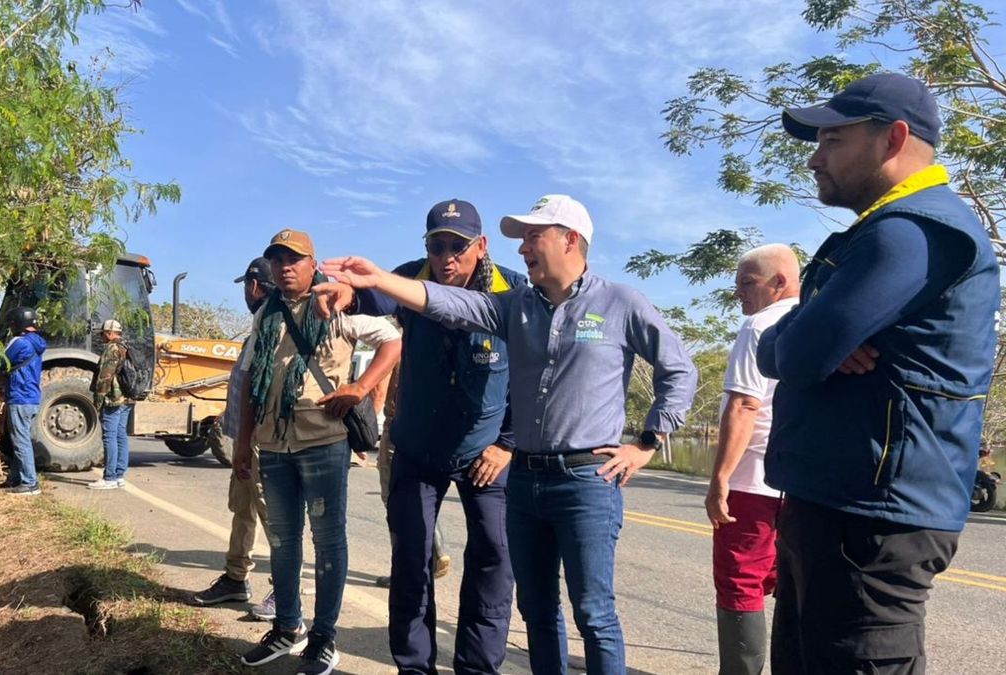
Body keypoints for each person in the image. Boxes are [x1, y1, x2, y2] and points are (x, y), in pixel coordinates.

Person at [321, 194, 698, 675]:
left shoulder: (610, 302)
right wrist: (370, 282)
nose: (522, 247)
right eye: (437, 246)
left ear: (570, 240)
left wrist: (646, 443)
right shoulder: (512, 304)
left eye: (533, 237)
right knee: (530, 607)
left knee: (584, 609)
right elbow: (442, 301)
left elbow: (676, 370)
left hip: (554, 471)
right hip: (484, 466)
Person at [761, 73, 1000, 673]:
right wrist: (815, 333)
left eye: (832, 140)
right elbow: (780, 352)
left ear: (893, 138)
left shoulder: (913, 233)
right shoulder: (886, 229)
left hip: (872, 518)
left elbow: (796, 357)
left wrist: (813, 336)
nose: (814, 158)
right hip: (842, 503)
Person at [316, 198, 524, 674]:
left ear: (481, 245)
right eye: (437, 245)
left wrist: (507, 444)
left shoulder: (512, 290)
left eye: (458, 246)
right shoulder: (412, 277)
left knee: (494, 559)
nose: (446, 257)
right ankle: (414, 667)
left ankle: (478, 668)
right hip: (417, 447)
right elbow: (375, 297)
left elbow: (530, 374)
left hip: (486, 452)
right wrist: (349, 294)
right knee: (412, 559)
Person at [235, 229, 401, 675]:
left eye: (294, 259)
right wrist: (243, 443)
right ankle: (287, 627)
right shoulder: (266, 314)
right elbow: (251, 380)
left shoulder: (336, 304)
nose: (284, 266)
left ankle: (324, 638)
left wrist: (360, 388)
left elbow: (392, 341)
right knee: (282, 540)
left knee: (328, 540)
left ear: (313, 264)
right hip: (274, 443)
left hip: (323, 442)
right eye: (277, 259)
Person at [704, 245, 799, 675]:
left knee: (740, 582)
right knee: (795, 584)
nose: (738, 293)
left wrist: (720, 479)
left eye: (747, 283)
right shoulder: (817, 322)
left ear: (779, 282)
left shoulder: (759, 326)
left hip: (752, 482)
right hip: (801, 483)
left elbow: (745, 405)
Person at [191, 257, 281, 621]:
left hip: (263, 439)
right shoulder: (260, 324)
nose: (246, 292)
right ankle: (235, 578)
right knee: (243, 509)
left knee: (275, 517)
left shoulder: (276, 323)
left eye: (246, 285)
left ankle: (285, 590)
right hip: (246, 439)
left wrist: (250, 439)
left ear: (254, 286)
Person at [2, 307, 47, 496]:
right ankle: (16, 478)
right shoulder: (37, 342)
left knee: (20, 442)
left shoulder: (20, 343)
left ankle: (30, 483)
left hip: (20, 396)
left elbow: (1, 362)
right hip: (31, 398)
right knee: (21, 440)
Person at [88, 319, 133, 490]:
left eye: (102, 333)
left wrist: (98, 400)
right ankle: (119, 475)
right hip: (128, 398)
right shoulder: (126, 346)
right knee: (121, 435)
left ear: (109, 333)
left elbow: (105, 377)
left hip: (114, 399)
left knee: (109, 436)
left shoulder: (112, 348)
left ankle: (109, 477)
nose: (101, 337)